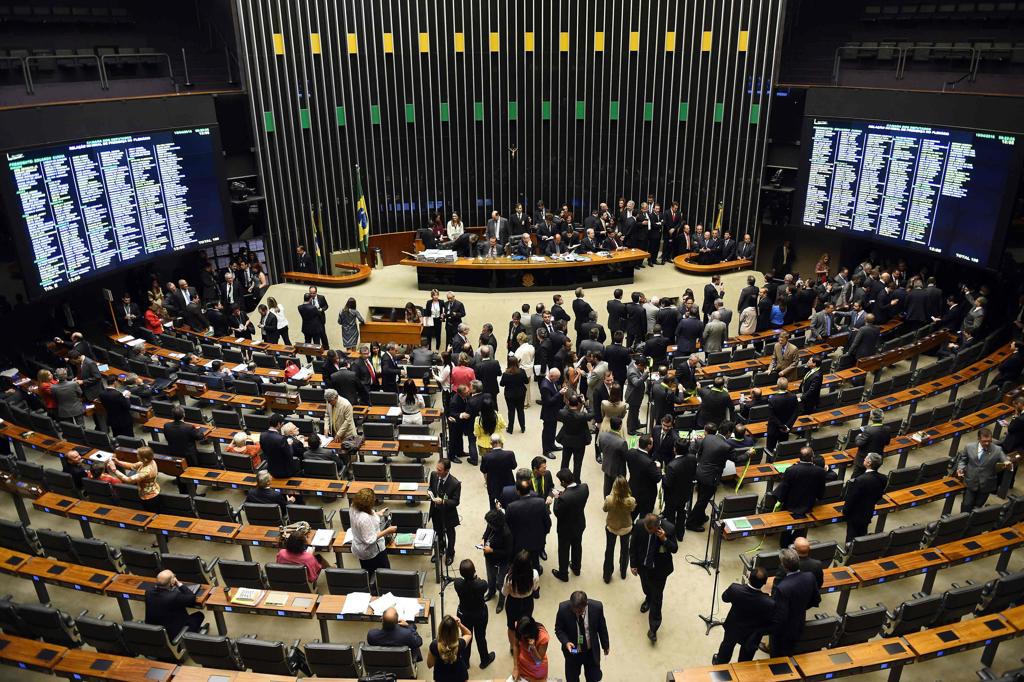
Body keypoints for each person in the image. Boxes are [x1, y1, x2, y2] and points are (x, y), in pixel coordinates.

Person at [629, 513, 678, 642]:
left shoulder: (669, 528)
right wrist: (633, 564)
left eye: (650, 531)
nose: (648, 532)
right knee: (646, 587)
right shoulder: (640, 525)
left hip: (660, 570)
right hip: (643, 566)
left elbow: (674, 549)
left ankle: (653, 629)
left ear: (657, 527)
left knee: (657, 597)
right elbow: (633, 544)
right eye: (647, 529)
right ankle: (648, 598)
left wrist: (665, 540)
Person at [714, 567, 775, 664]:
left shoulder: (735, 589)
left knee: (727, 647)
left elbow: (724, 598)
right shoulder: (769, 603)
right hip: (752, 634)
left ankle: (720, 664)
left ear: (749, 577)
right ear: (764, 583)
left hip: (733, 627)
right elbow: (770, 621)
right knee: (745, 660)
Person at [772, 447, 827, 547]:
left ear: (799, 457)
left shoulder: (791, 470)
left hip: (790, 504)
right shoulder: (820, 471)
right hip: (809, 505)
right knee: (802, 528)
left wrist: (780, 500)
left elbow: (784, 489)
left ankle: (784, 545)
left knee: (786, 529)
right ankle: (798, 543)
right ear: (812, 458)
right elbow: (820, 491)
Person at [770, 548, 821, 656]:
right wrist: (800, 607)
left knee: (777, 657)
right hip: (800, 621)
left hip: (783, 631)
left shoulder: (782, 588)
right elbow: (816, 599)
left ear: (784, 566)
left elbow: (780, 615)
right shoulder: (810, 577)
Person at [555, 591, 610, 682]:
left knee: (594, 678)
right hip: (573, 651)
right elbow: (559, 629)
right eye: (574, 610)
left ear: (586, 604)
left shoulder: (597, 607)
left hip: (590, 651)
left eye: (580, 611)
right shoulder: (563, 609)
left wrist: (605, 645)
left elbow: (602, 627)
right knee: (572, 679)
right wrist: (566, 642)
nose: (577, 613)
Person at [956, 428, 1012, 512]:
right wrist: (960, 468)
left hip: (987, 483)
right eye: (984, 441)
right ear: (978, 439)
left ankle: (972, 523)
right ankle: (963, 520)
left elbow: (1004, 458)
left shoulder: (997, 449)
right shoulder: (969, 447)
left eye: (989, 441)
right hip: (971, 480)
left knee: (977, 508)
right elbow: (963, 460)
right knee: (966, 505)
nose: (987, 443)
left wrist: (1007, 462)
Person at [506, 480, 551, 574]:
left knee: (521, 564)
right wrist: (543, 534)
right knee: (535, 561)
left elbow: (508, 526)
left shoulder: (511, 507)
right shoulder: (541, 502)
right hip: (537, 540)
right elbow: (547, 522)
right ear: (530, 490)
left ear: (518, 492)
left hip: (519, 543)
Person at [349, 488, 397, 576]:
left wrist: (377, 513)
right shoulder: (364, 519)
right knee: (383, 574)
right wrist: (387, 531)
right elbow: (370, 540)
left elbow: (367, 513)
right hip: (372, 552)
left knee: (368, 572)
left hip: (360, 548)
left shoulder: (353, 507)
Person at [552, 469, 588, 582]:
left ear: (563, 482)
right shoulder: (584, 488)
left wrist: (557, 498)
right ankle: (576, 568)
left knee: (563, 550)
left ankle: (563, 573)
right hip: (579, 524)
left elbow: (557, 512)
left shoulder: (563, 498)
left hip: (565, 529)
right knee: (577, 546)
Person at [842, 451, 888, 541]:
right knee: (862, 535)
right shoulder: (883, 478)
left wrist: (845, 512)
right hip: (868, 511)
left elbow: (851, 499)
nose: (864, 458)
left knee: (851, 538)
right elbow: (879, 496)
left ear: (869, 463)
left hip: (855, 514)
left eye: (866, 457)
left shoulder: (860, 480)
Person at [145, 569, 204, 635]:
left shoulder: (148, 591)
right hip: (172, 633)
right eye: (174, 576)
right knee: (199, 615)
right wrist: (179, 584)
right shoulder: (174, 596)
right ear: (171, 582)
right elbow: (192, 598)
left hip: (153, 630)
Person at [501, 551, 541, 648]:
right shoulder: (534, 574)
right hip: (527, 602)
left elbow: (504, 593)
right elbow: (535, 588)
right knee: (525, 624)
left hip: (513, 603)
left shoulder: (509, 578)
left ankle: (513, 646)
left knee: (511, 627)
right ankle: (524, 644)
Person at [429, 459, 461, 566]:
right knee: (438, 532)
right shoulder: (434, 475)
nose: (437, 471)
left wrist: (443, 501)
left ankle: (450, 553)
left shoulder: (455, 483)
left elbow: (456, 501)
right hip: (435, 512)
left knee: (450, 534)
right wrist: (429, 494)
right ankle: (440, 550)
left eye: (440, 470)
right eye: (437, 468)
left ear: (446, 471)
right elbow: (431, 488)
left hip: (448, 514)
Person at [108, 446, 160, 511]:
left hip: (149, 497)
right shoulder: (149, 461)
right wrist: (118, 462)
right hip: (148, 491)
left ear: (144, 459)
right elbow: (132, 466)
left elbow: (129, 480)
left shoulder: (146, 471)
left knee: (150, 513)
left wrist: (114, 470)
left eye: (138, 455)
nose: (137, 455)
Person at [481, 508, 513, 611]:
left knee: (501, 582)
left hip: (502, 560)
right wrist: (483, 539)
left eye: (490, 524)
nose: (488, 525)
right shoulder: (491, 524)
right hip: (490, 558)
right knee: (490, 577)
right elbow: (486, 533)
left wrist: (492, 550)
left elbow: (507, 552)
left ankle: (501, 601)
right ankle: (491, 592)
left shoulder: (506, 533)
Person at [427, 614, 474, 680]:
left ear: (441, 629)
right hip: (459, 676)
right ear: (455, 631)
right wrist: (459, 624)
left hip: (441, 677)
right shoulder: (460, 643)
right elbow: (468, 634)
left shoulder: (434, 645)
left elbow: (430, 664)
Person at [557, 395, 592, 480]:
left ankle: (563, 478)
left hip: (567, 441)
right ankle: (576, 479)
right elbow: (592, 414)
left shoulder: (562, 413)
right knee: (577, 463)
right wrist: (585, 403)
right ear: (578, 404)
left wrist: (568, 403)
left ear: (568, 403)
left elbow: (563, 409)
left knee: (565, 460)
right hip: (579, 442)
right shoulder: (582, 416)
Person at [626, 435, 661, 518]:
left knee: (632, 514)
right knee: (645, 518)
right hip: (647, 495)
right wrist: (658, 468)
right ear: (649, 446)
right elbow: (657, 478)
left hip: (633, 488)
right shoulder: (649, 463)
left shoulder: (630, 452)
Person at [852, 409, 891, 476]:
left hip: (863, 460)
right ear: (883, 418)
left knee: (855, 478)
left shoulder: (868, 430)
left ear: (871, 418)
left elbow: (859, 443)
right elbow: (887, 443)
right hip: (876, 459)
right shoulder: (887, 429)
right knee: (871, 476)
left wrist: (859, 436)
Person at [766, 378, 799, 456]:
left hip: (774, 428)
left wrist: (781, 426)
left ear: (777, 386)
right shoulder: (794, 397)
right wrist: (787, 425)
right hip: (786, 428)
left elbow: (772, 416)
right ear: (787, 386)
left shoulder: (772, 399)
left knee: (769, 450)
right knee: (783, 449)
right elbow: (796, 413)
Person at [512, 615, 550, 682]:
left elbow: (538, 661)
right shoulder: (519, 628)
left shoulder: (543, 637)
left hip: (537, 668)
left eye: (525, 635)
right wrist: (515, 667)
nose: (522, 636)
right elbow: (515, 645)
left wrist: (533, 648)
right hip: (523, 664)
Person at [540, 367, 565, 458]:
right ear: (551, 376)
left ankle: (552, 445)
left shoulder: (552, 381)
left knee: (553, 430)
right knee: (547, 432)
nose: (557, 380)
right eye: (557, 378)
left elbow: (555, 391)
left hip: (554, 412)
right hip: (548, 413)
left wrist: (559, 391)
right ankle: (546, 450)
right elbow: (548, 401)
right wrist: (560, 393)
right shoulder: (545, 386)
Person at [500, 356, 528, 434]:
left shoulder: (506, 374)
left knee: (511, 411)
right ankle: (523, 427)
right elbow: (526, 382)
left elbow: (501, 384)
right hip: (521, 394)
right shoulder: (522, 371)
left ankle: (510, 429)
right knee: (520, 410)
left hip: (509, 395)